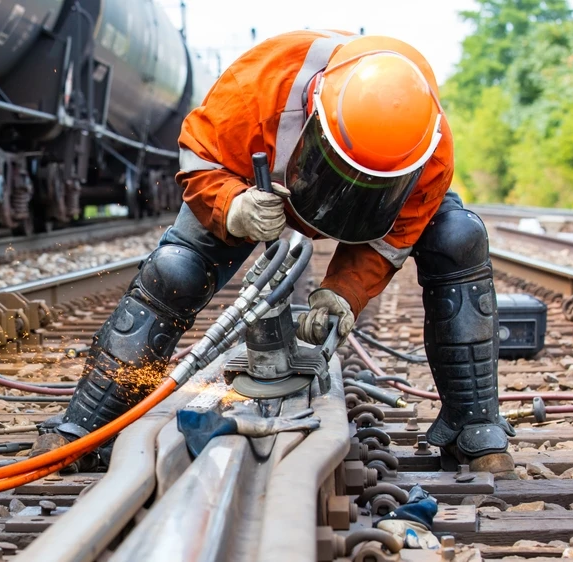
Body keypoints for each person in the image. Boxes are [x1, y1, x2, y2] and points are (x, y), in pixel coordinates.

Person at [32, 29, 516, 479]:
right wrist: (233, 206)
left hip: (347, 201)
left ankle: (475, 426)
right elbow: (200, 157)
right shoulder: (260, 83)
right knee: (174, 271)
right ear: (314, 115)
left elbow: (397, 233)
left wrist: (343, 291)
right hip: (255, 193)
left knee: (457, 237)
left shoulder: (427, 146)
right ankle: (88, 423)